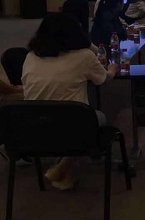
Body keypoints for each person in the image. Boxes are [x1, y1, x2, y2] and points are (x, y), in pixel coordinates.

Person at [22, 13, 120, 190]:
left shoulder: (31, 56)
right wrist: (113, 70)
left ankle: (64, 174)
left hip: (34, 126)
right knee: (96, 118)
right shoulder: (84, 56)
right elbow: (103, 79)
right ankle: (62, 167)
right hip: (72, 124)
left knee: (70, 118)